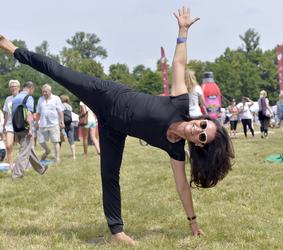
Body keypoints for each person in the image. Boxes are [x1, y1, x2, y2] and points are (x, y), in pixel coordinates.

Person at [0, 7, 234, 245]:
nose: (199, 129)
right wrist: (183, 31)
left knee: (110, 175)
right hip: (106, 95)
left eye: (203, 136)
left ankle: (117, 232)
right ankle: (12, 48)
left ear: (198, 145)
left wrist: (193, 222)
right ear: (201, 118)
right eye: (203, 124)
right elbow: (179, 64)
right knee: (59, 72)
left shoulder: (175, 150)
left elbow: (182, 187)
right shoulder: (180, 103)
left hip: (114, 130)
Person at [11, 81, 48, 179]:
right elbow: (29, 115)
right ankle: (17, 175)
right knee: (23, 153)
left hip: (17, 128)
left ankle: (41, 169)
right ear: (30, 88)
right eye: (33, 90)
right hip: (26, 128)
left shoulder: (15, 98)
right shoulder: (28, 98)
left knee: (29, 150)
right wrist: (31, 129)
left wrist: (15, 131)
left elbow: (13, 115)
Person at [36, 84, 65, 163]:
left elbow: (60, 110)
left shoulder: (56, 98)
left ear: (50, 91)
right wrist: (36, 122)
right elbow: (38, 112)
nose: (44, 93)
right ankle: (47, 150)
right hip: (43, 123)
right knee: (41, 141)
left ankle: (57, 158)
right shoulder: (40, 99)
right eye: (43, 92)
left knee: (56, 141)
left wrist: (62, 121)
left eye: (46, 92)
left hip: (54, 123)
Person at [2, 80, 20, 173]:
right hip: (9, 125)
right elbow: (6, 114)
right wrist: (4, 126)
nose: (13, 87)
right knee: (9, 146)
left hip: (20, 125)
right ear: (10, 88)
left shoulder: (22, 97)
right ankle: (10, 167)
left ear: (19, 87)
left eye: (15, 86)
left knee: (23, 147)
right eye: (12, 86)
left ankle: (22, 165)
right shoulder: (8, 99)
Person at [60, 95, 76, 159]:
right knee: (71, 140)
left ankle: (58, 155)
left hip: (63, 124)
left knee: (59, 140)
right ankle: (74, 156)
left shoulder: (61, 105)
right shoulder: (69, 106)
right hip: (70, 124)